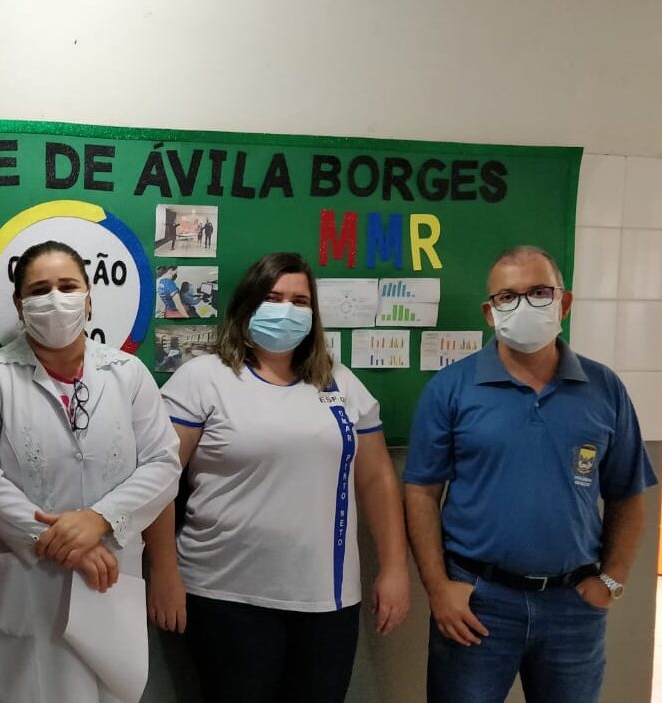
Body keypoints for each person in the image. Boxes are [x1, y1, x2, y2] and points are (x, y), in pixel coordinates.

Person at [146, 251, 410, 703]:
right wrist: (163, 570)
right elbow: (159, 478)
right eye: (273, 297)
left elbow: (377, 479)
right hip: (225, 595)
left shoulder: (340, 383)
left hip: (326, 601)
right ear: (247, 306)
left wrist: (395, 567)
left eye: (299, 301)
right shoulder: (202, 378)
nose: (286, 310)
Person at [403, 246, 656, 703]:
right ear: (490, 312)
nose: (523, 305)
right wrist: (438, 589)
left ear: (564, 302)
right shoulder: (450, 389)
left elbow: (629, 493)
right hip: (476, 604)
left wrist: (612, 581)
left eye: (539, 292)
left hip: (573, 609)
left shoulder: (605, 389)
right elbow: (421, 491)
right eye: (507, 296)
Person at [0, 240, 182, 702]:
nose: (55, 299)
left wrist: (99, 520)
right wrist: (61, 543)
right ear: (19, 305)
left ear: (89, 298)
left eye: (68, 286)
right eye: (39, 290)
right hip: (24, 585)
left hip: (110, 577)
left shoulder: (128, 374)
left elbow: (163, 463)